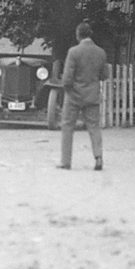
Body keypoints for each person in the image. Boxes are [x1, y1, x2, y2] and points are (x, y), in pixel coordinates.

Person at [59, 22, 109, 170]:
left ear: (78, 35)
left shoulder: (73, 52)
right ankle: (98, 156)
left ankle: (66, 161)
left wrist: (68, 89)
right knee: (94, 127)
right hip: (92, 95)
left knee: (68, 126)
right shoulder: (101, 52)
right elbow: (104, 75)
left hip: (74, 96)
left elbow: (67, 79)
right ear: (90, 34)